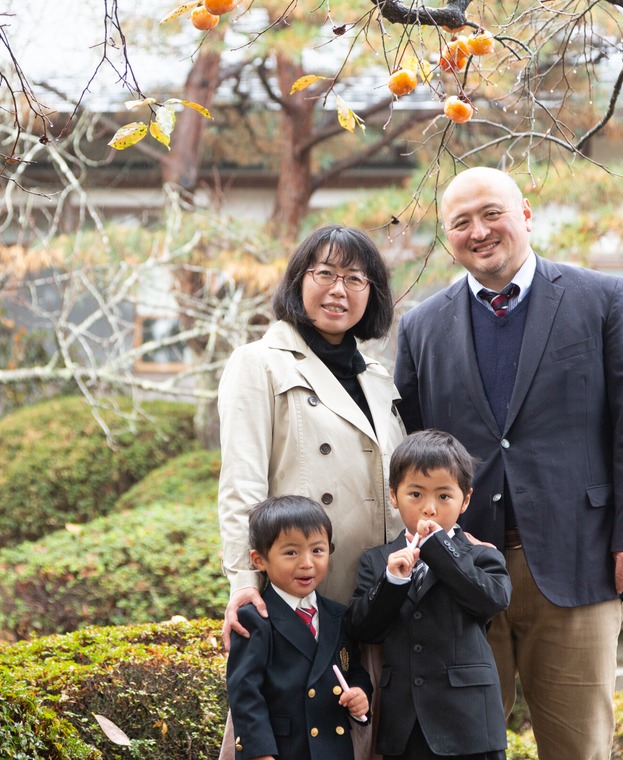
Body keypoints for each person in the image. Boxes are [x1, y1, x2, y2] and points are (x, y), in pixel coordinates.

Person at [393, 166, 623, 760]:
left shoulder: (600, 299)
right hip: (460, 572)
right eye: (461, 222)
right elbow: (411, 445)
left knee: (578, 746)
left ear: (525, 215)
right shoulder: (420, 328)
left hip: (579, 560)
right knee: (462, 747)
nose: (480, 231)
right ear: (447, 238)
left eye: (492, 213)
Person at [218, 224, 406, 760]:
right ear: (299, 280)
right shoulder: (258, 363)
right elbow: (242, 484)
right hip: (300, 601)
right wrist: (242, 582)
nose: (338, 290)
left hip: (377, 598)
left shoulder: (379, 377)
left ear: (373, 294)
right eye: (324, 273)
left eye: (355, 278)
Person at [347, 430, 510, 760]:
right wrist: (392, 581)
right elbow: (363, 629)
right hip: (404, 724)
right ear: (394, 496)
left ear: (466, 500)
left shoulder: (481, 555)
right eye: (416, 494)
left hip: (470, 723)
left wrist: (440, 550)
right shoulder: (377, 560)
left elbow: (492, 601)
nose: (429, 509)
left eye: (444, 497)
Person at [227, 495, 373, 760]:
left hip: (334, 750)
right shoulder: (255, 618)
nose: (307, 563)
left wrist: (361, 695)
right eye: (291, 552)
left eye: (317, 550)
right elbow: (245, 694)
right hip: (282, 751)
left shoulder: (338, 615)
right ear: (259, 560)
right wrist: (260, 754)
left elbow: (354, 671)